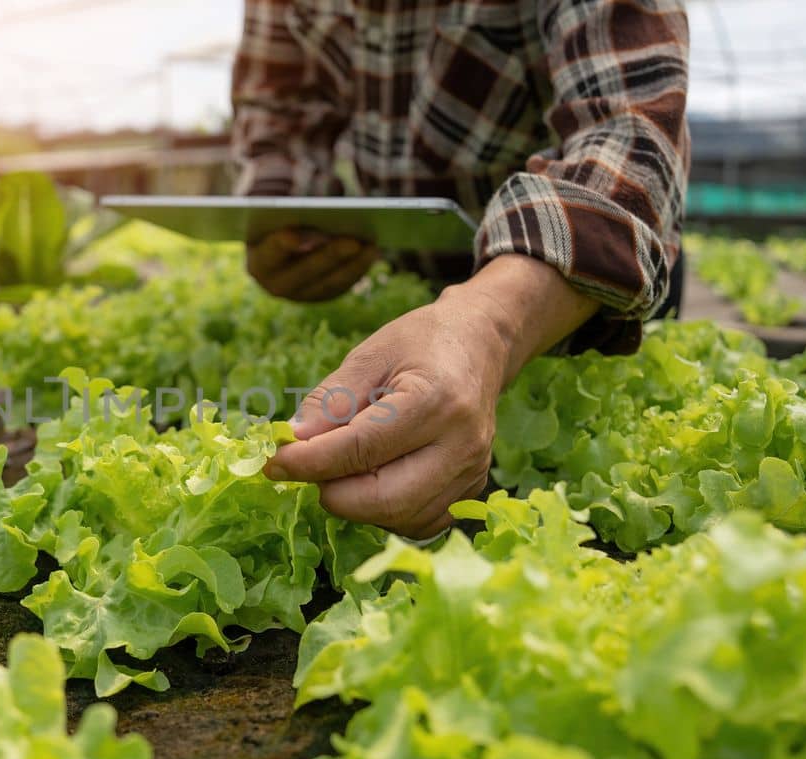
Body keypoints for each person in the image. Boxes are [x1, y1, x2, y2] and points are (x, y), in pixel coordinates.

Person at [232, 0, 690, 538]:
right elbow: (277, 113)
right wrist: (284, 224)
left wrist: (489, 320)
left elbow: (629, 133)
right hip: (412, 300)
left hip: (582, 283)